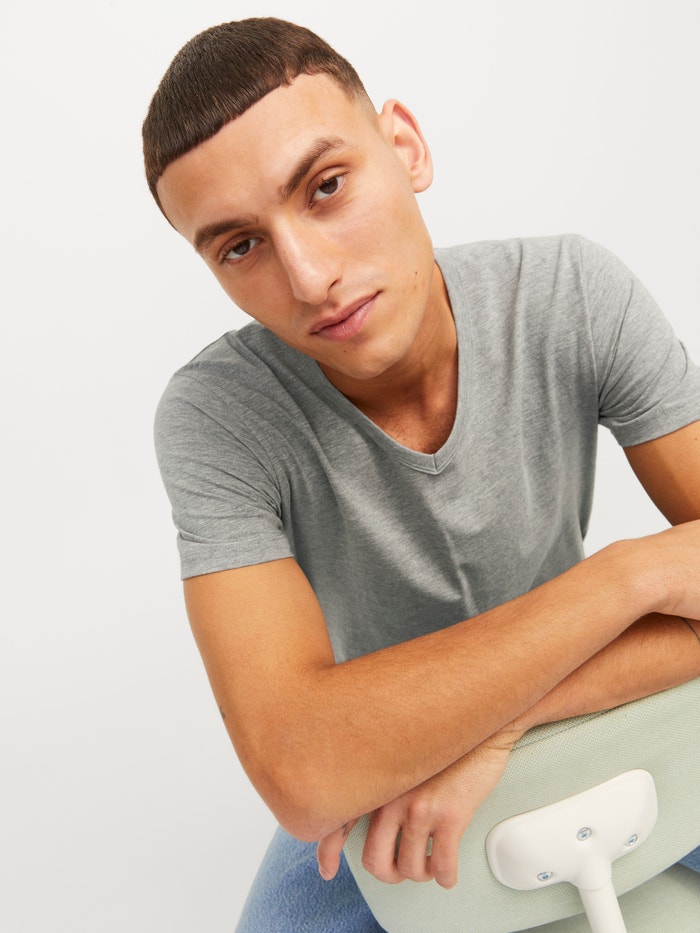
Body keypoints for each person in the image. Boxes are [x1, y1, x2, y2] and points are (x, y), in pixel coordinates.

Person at [143, 17, 700, 931]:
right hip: (384, 765)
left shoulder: (571, 292)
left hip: (566, 701)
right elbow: (305, 770)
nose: (310, 277)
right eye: (239, 246)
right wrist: (630, 574)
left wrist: (505, 723)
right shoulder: (217, 415)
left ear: (404, 146)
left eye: (326, 187)